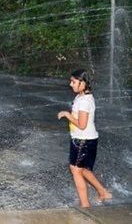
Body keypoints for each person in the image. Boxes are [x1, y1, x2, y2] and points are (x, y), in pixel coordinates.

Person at [57, 69, 112, 208]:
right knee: (85, 170)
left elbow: (82, 124)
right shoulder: (82, 97)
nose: (71, 84)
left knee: (75, 170)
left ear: (83, 83)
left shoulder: (85, 101)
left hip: (83, 140)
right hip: (86, 139)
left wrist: (67, 115)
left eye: (73, 82)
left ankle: (85, 205)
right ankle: (103, 192)